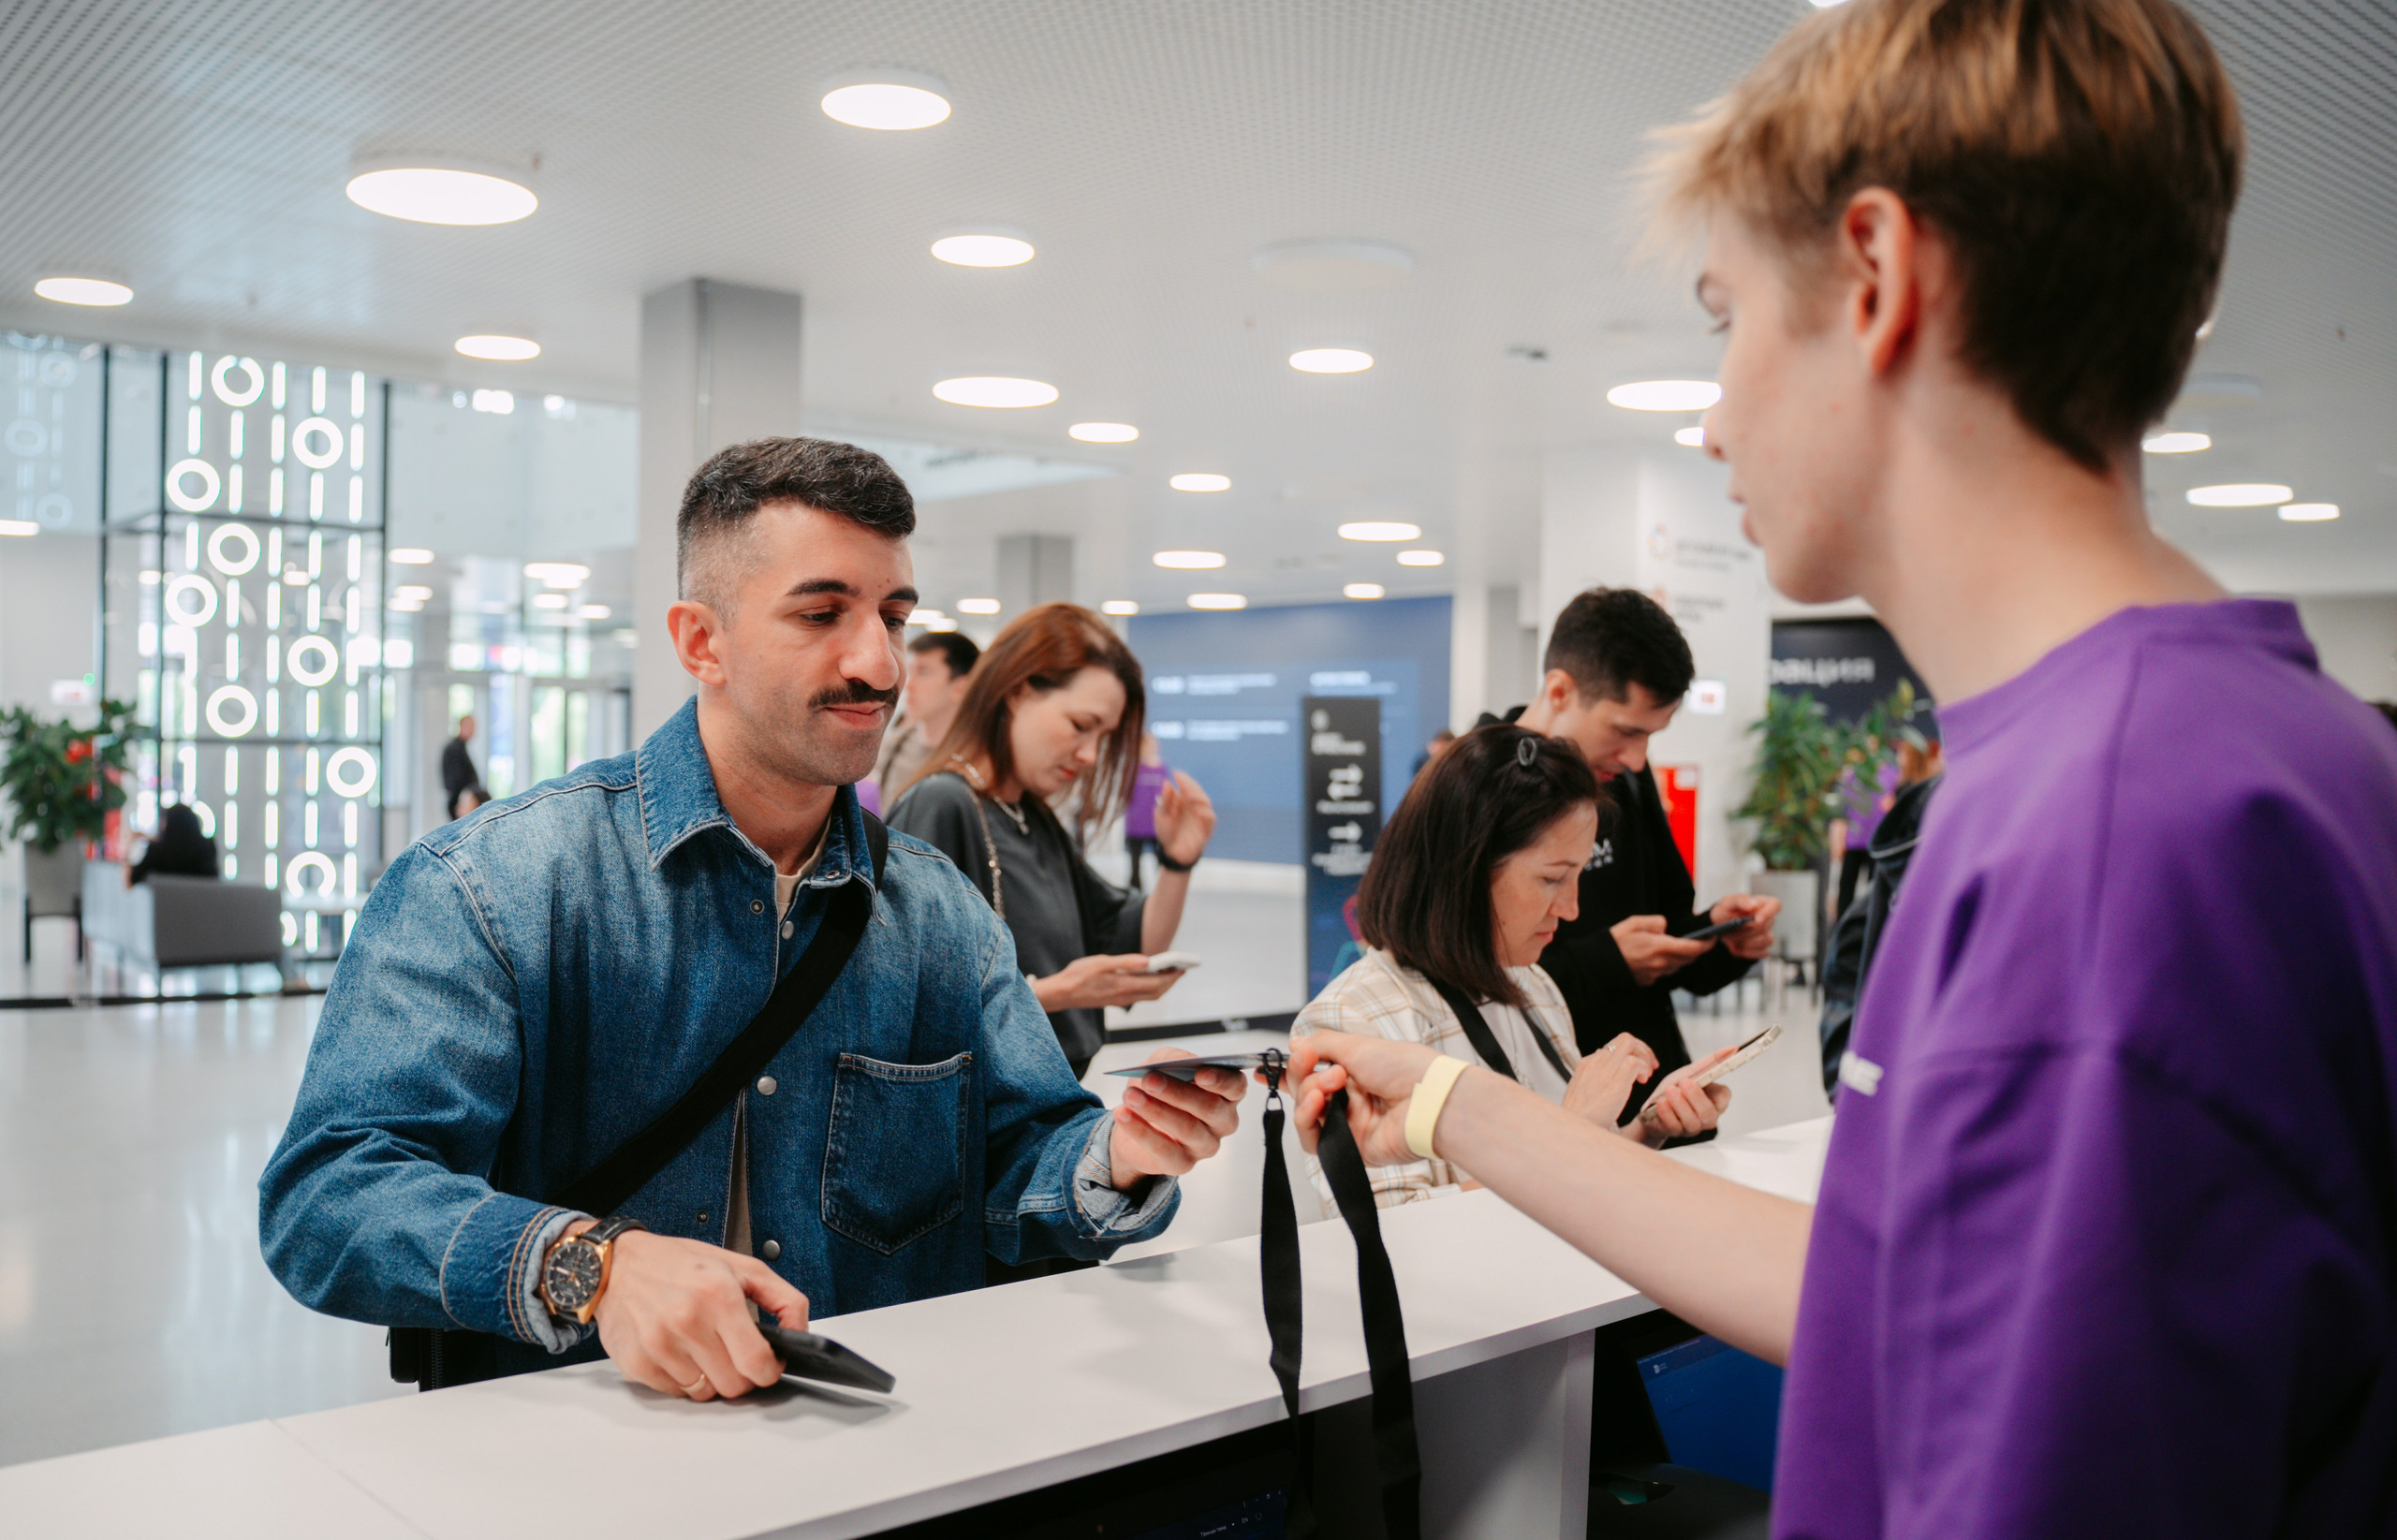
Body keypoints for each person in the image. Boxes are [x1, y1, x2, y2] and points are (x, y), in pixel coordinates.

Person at [1286, 2, 2397, 1534]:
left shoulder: (2115, 834)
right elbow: (1890, 1288)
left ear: (1875, 277)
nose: (1714, 407)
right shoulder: (2229, 754)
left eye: (1724, 315)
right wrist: (1447, 1104)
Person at [260, 437, 1244, 1402]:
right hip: (572, 1467)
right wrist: (589, 1265)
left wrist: (1116, 1155)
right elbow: (330, 1191)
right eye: (822, 613)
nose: (879, 662)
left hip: (870, 1464)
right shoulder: (495, 885)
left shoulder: (939, 912)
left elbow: (1024, 1151)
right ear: (701, 641)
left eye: (894, 616)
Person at [1294, 724, 1732, 1209]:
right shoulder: (1350, 1021)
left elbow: (1568, 1184)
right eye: (1552, 878)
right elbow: (1389, 1242)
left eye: (1578, 875)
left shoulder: (1532, 983)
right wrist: (1568, 1132)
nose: (1571, 909)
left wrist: (1646, 1130)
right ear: (1464, 870)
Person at [889, 604, 1217, 1078]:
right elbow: (909, 1006)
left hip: (1048, 1109)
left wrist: (1177, 863)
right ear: (1018, 692)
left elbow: (1137, 944)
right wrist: (1060, 993)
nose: (1088, 756)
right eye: (1081, 726)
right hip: (981, 1129)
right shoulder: (943, 805)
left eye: (1101, 737)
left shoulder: (1033, 817)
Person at [1491, 588, 1780, 1104]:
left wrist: (1720, 938)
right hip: (1541, 1107)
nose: (1638, 759)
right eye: (1625, 731)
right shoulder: (1473, 790)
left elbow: (1670, 928)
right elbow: (1460, 981)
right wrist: (1609, 962)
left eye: (1651, 735)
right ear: (1559, 691)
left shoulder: (1624, 779)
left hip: (1655, 1097)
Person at [875, 630, 979, 806]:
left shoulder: (981, 758)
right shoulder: (893, 746)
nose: (909, 685)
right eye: (911, 671)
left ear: (960, 688)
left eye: (923, 672)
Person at [1122, 733, 1169, 891]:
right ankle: (1135, 890)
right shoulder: (1133, 767)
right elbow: (1125, 792)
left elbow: (1165, 792)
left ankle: (1163, 889)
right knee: (1135, 861)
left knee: (1161, 858)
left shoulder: (1162, 768)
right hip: (1136, 822)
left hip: (1156, 823)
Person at [126, 802, 218, 884]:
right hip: (202, 902)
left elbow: (130, 881)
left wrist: (128, 849)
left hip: (165, 902)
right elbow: (214, 880)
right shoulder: (207, 847)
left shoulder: (157, 852)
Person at [440, 712, 482, 821]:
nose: (474, 730)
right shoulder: (454, 750)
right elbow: (455, 781)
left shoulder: (461, 748)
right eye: (471, 727)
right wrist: (466, 801)